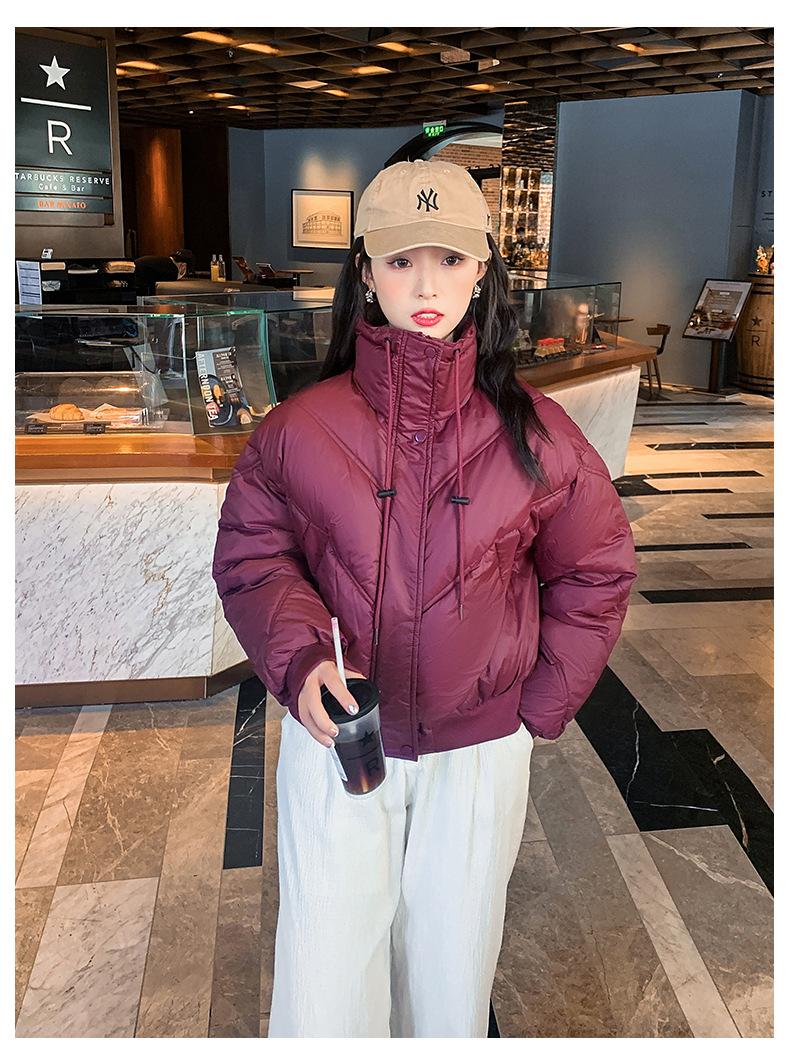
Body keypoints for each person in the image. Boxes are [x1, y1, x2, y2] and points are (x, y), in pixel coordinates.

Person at [212, 159, 637, 1038]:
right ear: (366, 272)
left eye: (450, 258)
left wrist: (532, 708)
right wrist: (301, 661)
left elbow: (596, 568)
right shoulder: (298, 429)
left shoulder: (538, 436)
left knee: (449, 979)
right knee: (326, 982)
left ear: (482, 270)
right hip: (337, 740)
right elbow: (255, 555)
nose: (427, 284)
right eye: (403, 260)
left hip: (477, 754)